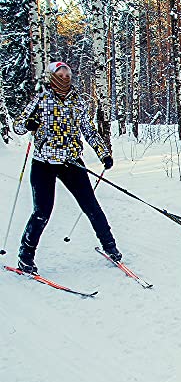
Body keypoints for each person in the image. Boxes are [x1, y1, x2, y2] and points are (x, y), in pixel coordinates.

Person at [13, 61, 122, 274]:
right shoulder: (41, 99)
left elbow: (89, 130)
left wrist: (104, 153)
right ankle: (25, 257)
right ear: (51, 77)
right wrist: (28, 125)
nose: (64, 78)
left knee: (91, 206)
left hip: (71, 162)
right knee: (42, 212)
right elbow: (18, 126)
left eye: (67, 75)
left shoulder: (77, 102)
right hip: (44, 163)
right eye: (60, 75)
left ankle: (110, 247)